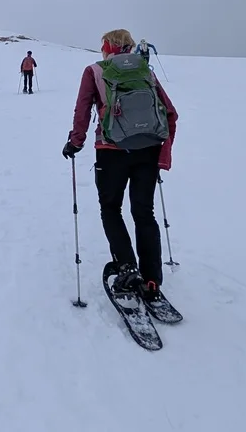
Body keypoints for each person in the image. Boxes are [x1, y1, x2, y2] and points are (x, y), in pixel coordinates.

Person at [61, 28, 177, 301]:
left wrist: (75, 142)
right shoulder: (144, 70)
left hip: (111, 151)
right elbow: (169, 111)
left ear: (107, 47)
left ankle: (127, 267)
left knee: (111, 208)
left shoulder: (94, 71)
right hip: (147, 149)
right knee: (144, 213)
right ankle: (151, 279)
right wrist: (163, 152)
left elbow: (82, 110)